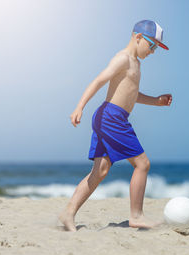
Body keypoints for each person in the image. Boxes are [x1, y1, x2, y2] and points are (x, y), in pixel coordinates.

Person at [59, 20, 172, 232]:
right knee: (142, 164)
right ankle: (136, 215)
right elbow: (99, 80)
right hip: (111, 117)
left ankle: (68, 213)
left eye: (157, 47)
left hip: (111, 117)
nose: (154, 51)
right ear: (138, 37)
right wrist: (79, 107)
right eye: (152, 45)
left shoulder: (136, 63)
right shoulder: (123, 58)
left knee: (100, 170)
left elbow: (131, 94)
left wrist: (156, 101)